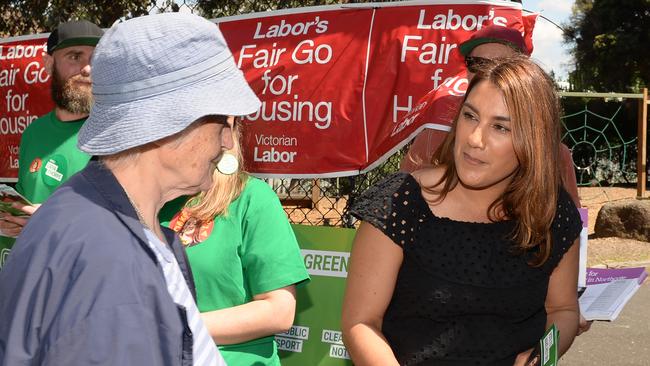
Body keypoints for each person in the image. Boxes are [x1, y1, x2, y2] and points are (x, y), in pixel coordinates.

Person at [0, 12, 260, 365]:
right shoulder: (111, 264)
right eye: (221, 122)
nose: (228, 141)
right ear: (166, 125)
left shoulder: (125, 230)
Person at [341, 56, 582, 365]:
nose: (474, 138)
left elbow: (563, 310)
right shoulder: (400, 202)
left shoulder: (552, 211)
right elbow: (360, 323)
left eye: (499, 127)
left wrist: (537, 358)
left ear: (534, 140)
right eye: (470, 116)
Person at [159, 121, 310, 365]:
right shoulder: (144, 198)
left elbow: (279, 311)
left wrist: (173, 326)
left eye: (225, 122)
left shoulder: (252, 197)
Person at [399, 26, 581, 206]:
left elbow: (574, 225)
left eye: (502, 65)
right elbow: (398, 203)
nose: (487, 73)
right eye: (476, 63)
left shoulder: (553, 154)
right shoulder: (432, 136)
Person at [0, 20, 103, 261]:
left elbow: (130, 218)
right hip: (34, 271)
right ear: (48, 64)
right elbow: (28, 201)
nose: (87, 68)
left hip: (88, 276)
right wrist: (13, 220)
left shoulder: (119, 132)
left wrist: (51, 220)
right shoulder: (33, 133)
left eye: (95, 58)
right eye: (75, 56)